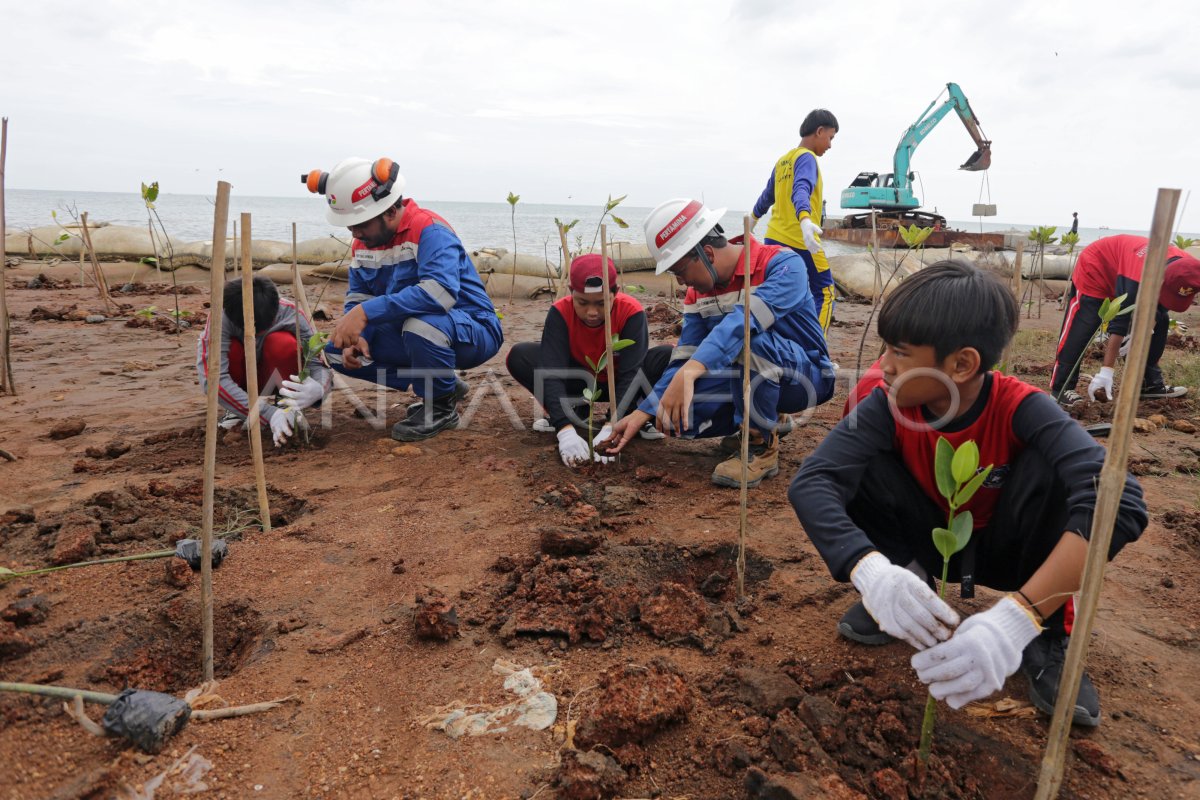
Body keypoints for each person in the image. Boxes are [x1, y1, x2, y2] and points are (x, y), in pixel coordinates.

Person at [790, 261, 1148, 727]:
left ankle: (1043, 628)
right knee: (856, 464)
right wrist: (872, 571)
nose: (884, 366)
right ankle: (906, 587)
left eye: (899, 352)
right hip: (928, 542)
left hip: (1011, 551)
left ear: (961, 364)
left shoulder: (1023, 407)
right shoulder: (885, 403)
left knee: (1069, 475)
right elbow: (813, 481)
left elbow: (1121, 500)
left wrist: (1016, 618)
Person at [604, 199, 836, 488]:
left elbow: (742, 324)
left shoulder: (782, 265)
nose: (681, 284)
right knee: (676, 417)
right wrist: (645, 411)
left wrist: (690, 373)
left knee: (749, 340)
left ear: (707, 253)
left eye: (679, 272)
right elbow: (684, 354)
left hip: (806, 378)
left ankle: (759, 447)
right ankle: (763, 419)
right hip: (746, 376)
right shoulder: (697, 295)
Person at [303, 156, 503, 441]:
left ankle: (442, 406)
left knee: (421, 324)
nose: (354, 232)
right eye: (349, 225)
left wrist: (365, 314)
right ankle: (443, 384)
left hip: (473, 329)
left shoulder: (430, 230)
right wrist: (359, 333)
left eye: (361, 223)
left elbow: (439, 294)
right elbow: (358, 296)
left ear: (390, 209)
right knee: (335, 348)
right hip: (415, 331)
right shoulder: (364, 244)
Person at [505, 254, 672, 466]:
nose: (592, 312)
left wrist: (612, 425)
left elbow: (632, 372)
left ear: (615, 293)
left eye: (602, 303)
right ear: (571, 293)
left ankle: (637, 414)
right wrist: (563, 428)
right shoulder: (560, 312)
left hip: (620, 380)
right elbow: (552, 372)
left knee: (668, 356)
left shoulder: (631, 312)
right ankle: (573, 411)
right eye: (582, 303)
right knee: (520, 355)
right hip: (580, 379)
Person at [1050, 234, 1200, 406]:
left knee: (1162, 321)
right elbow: (1119, 323)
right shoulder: (1136, 276)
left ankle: (1147, 384)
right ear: (1161, 280)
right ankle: (1061, 388)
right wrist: (1106, 372)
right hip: (1098, 266)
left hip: (1134, 271)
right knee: (1086, 323)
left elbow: (1160, 306)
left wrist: (1144, 332)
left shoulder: (1190, 269)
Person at [196, 275, 331, 446]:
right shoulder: (220, 320)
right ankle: (237, 409)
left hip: (276, 377)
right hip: (241, 379)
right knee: (231, 351)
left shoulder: (291, 314)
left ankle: (285, 403)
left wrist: (319, 388)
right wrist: (267, 413)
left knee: (283, 344)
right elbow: (213, 379)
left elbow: (318, 365)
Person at [752, 109, 839, 333]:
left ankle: (780, 344)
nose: (830, 145)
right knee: (826, 292)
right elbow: (801, 189)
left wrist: (751, 221)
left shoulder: (783, 161)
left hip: (772, 240)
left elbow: (767, 197)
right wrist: (805, 220)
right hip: (801, 240)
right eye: (830, 137)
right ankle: (818, 353)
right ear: (819, 131)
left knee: (783, 295)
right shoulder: (807, 158)